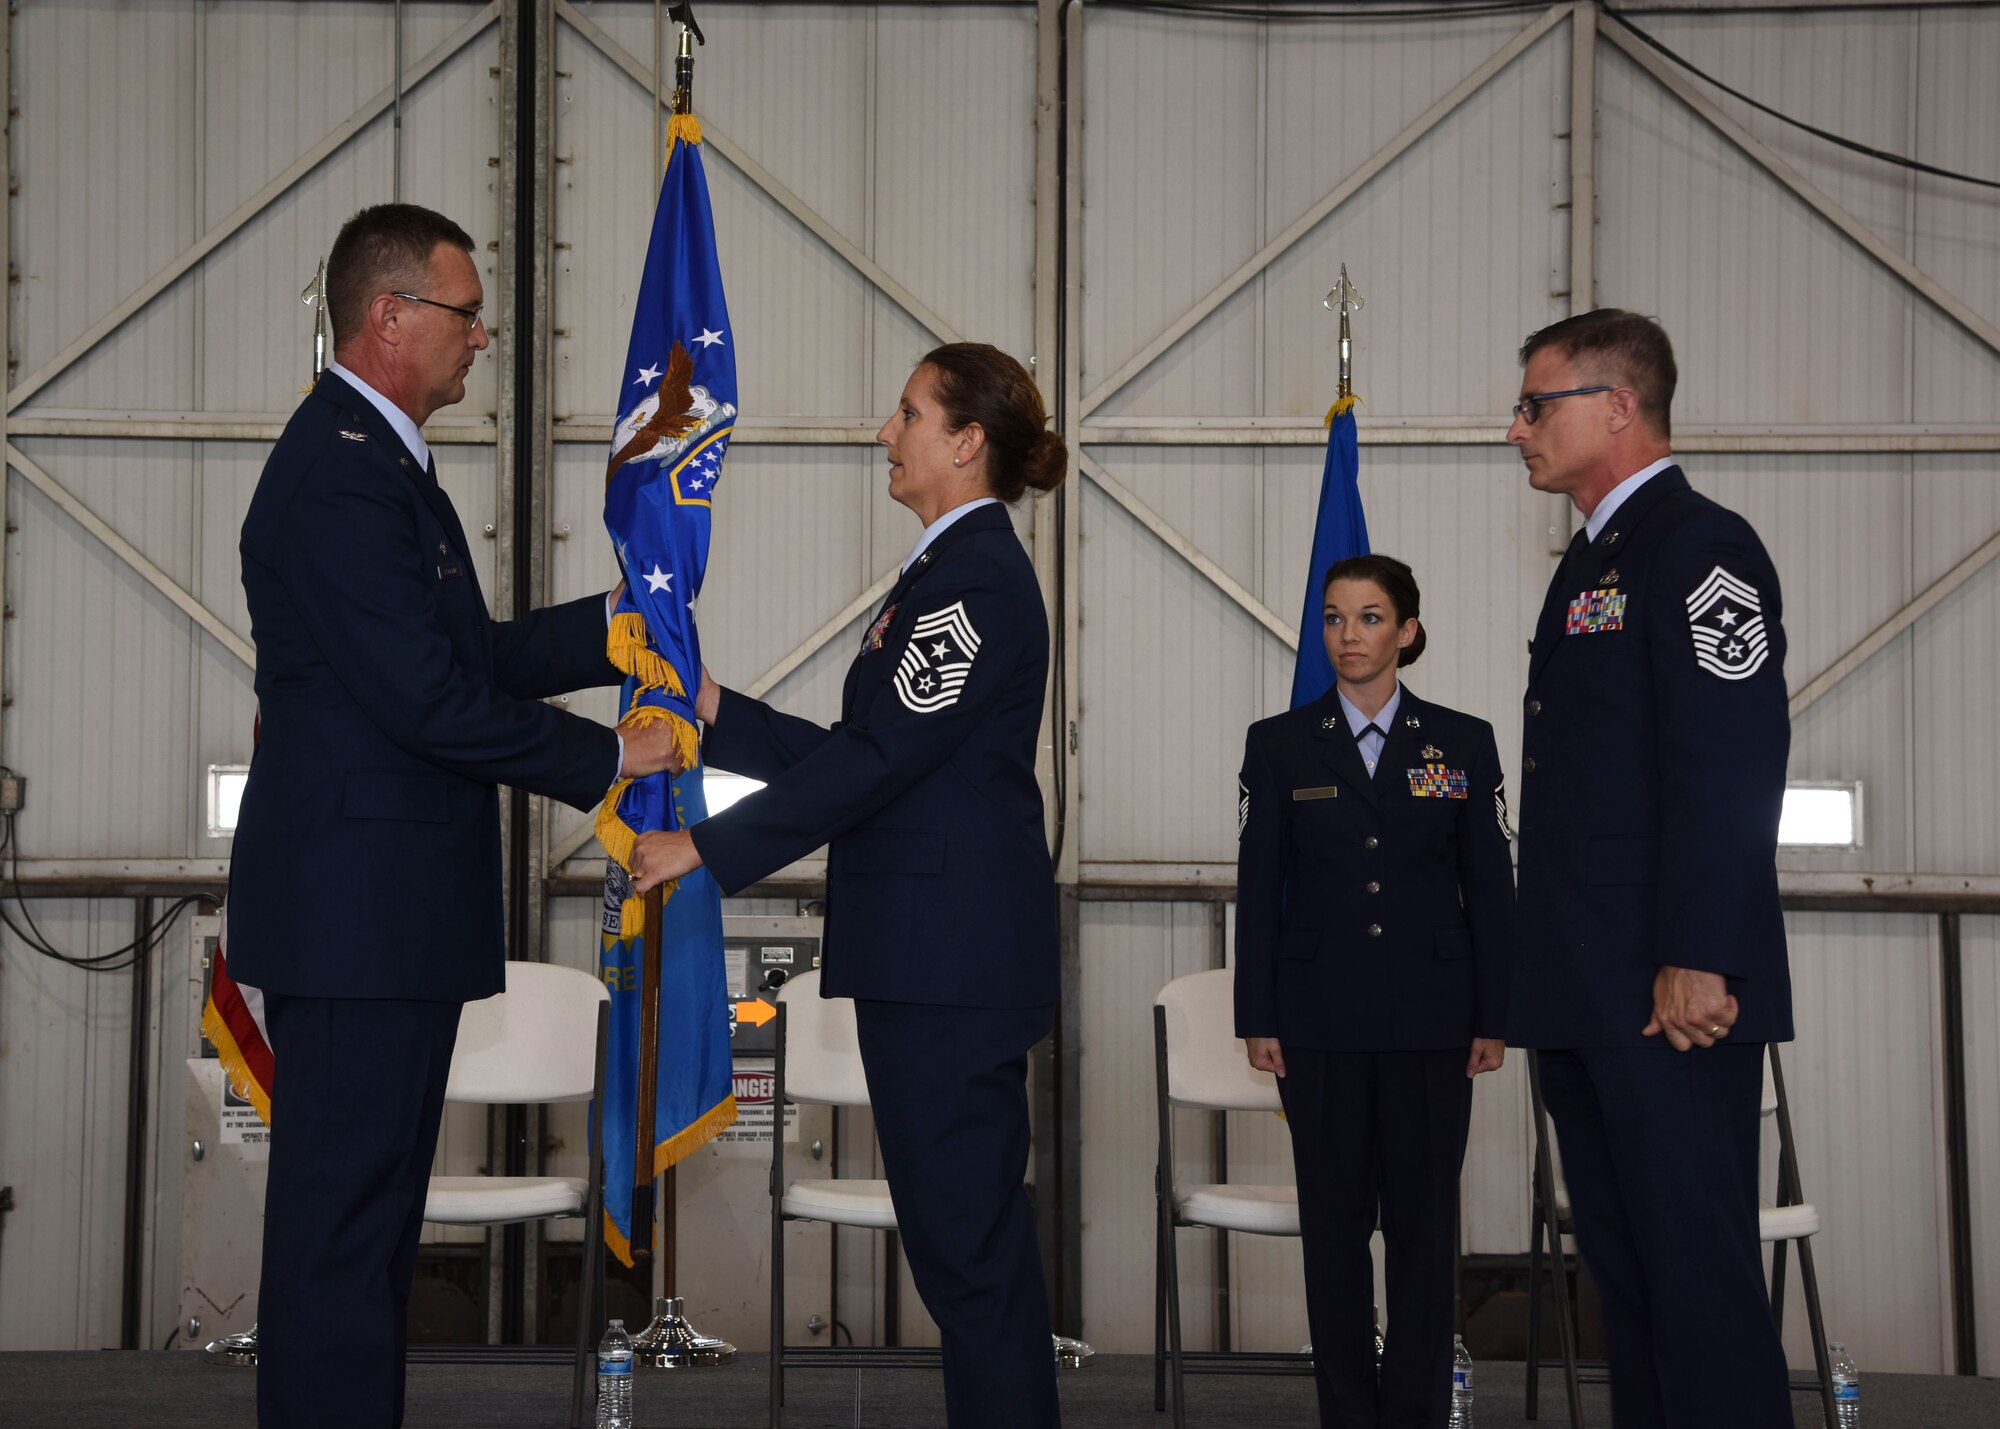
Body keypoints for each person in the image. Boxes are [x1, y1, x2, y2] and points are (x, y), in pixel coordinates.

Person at [230, 203, 680, 1429]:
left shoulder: (381, 463)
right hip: (353, 922)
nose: (480, 338)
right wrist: (609, 757)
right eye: (464, 312)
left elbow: (464, 652)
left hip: (382, 921)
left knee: (365, 1232)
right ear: (389, 316)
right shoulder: (336, 472)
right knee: (340, 1236)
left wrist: (603, 628)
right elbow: (425, 701)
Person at [627, 342, 1067, 1428]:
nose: (887, 431)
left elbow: (878, 764)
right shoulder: (942, 572)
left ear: (965, 443)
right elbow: (866, 745)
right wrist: (718, 708)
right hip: (932, 956)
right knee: (961, 1248)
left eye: (908, 413)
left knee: (967, 1253)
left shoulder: (973, 580)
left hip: (949, 962)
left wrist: (707, 847)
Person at [1507, 309, 1794, 1428]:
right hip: (1589, 987)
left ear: (1616, 406)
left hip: (1672, 994)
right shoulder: (1594, 558)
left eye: (1536, 404)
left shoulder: (1697, 545)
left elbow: (1729, 761)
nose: (1515, 427)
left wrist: (1699, 953)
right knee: (1626, 1285)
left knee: (1697, 1279)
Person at [1235, 554, 1513, 1429]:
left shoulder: (1462, 742)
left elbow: (1491, 887)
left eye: (1368, 617)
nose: (1348, 636)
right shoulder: (1279, 743)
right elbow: (1260, 885)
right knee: (1334, 1233)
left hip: (1434, 1019)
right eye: (1333, 617)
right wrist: (1258, 1013)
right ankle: (1348, 1414)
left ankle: (1419, 1412)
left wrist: (1496, 1013)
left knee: (1426, 1235)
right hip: (1317, 1021)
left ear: (1407, 631)